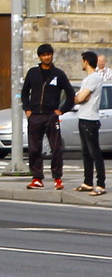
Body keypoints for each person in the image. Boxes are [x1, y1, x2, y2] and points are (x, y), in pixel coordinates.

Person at [20, 42, 74, 189]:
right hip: (35, 115)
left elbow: (70, 94)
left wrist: (62, 110)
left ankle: (57, 178)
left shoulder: (58, 74)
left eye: (49, 55)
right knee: (34, 148)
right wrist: (27, 109)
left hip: (51, 115)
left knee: (56, 148)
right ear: (39, 57)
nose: (47, 57)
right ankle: (37, 178)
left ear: (52, 55)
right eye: (44, 55)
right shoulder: (33, 73)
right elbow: (25, 92)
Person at [74, 50, 106, 194]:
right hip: (82, 118)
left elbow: (80, 98)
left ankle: (100, 184)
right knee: (86, 153)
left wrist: (80, 97)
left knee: (95, 153)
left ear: (86, 61)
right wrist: (80, 97)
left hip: (90, 120)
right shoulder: (86, 79)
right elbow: (79, 97)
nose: (81, 63)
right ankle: (88, 182)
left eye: (82, 61)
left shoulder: (94, 78)